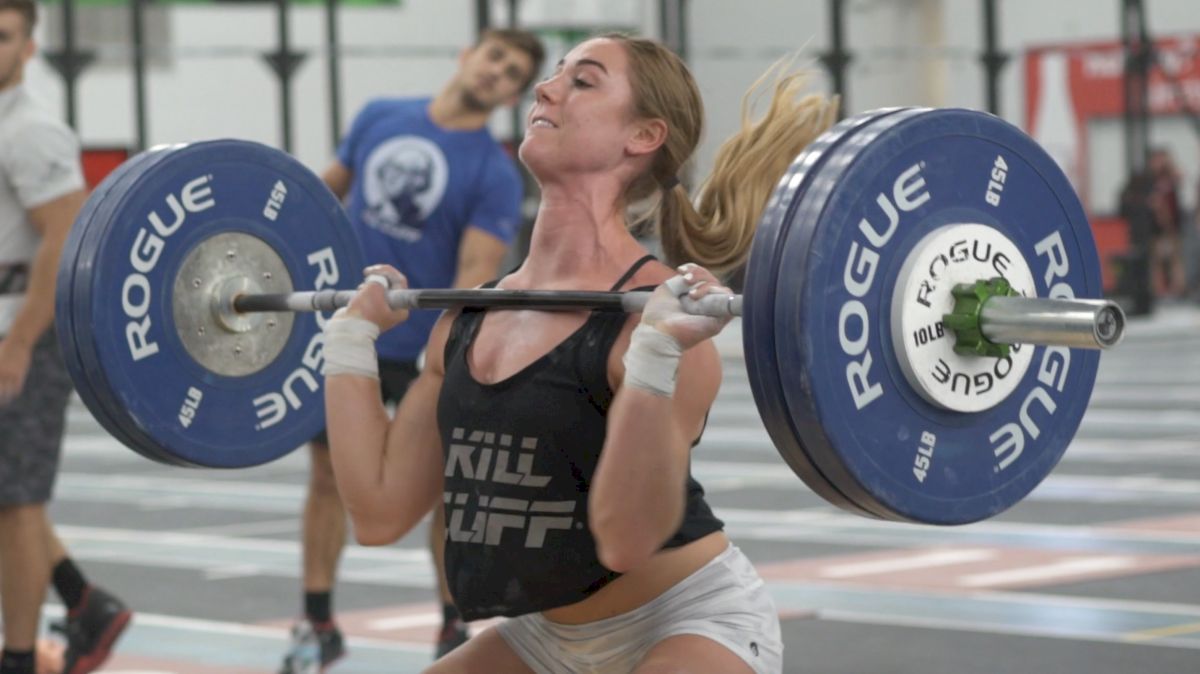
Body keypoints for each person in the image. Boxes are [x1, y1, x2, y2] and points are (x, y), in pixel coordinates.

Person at [321, 34, 836, 673]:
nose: (545, 88)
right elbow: (378, 511)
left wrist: (653, 362)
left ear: (642, 135)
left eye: (583, 81)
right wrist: (348, 343)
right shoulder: (466, 318)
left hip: (687, 620)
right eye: (555, 76)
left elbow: (625, 540)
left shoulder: (660, 321)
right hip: (543, 639)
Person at [278, 27, 545, 672]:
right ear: (468, 55)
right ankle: (317, 622)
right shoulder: (379, 116)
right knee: (327, 479)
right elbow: (321, 196)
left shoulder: (494, 173)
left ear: (512, 95)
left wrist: (446, 363)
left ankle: (453, 629)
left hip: (427, 349)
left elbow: (475, 272)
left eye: (512, 73)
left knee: (447, 494)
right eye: (495, 57)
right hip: (355, 335)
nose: (497, 72)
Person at [0, 2, 133, 674]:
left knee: (17, 506)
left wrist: (20, 341)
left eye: (2, 37)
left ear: (28, 46)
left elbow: (63, 235)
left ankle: (19, 658)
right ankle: (85, 604)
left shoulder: (30, 131)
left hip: (18, 336)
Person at [1147, 147, 1185, 298]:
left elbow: (1180, 178)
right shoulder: (1151, 180)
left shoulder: (1170, 178)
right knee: (1157, 261)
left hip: (1172, 226)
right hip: (1157, 227)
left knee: (1175, 259)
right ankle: (1159, 291)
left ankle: (1177, 289)